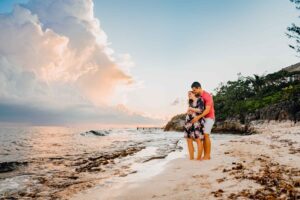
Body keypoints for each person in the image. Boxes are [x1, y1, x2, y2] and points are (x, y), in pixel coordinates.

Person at [190, 81, 215, 160]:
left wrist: (198, 117)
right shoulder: (198, 97)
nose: (193, 92)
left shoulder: (207, 96)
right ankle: (206, 155)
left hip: (209, 117)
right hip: (202, 118)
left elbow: (207, 110)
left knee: (206, 135)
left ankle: (207, 155)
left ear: (199, 88)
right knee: (203, 136)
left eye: (194, 90)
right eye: (193, 90)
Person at [184, 91, 205, 160]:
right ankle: (191, 158)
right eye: (188, 94)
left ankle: (198, 158)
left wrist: (191, 109)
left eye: (190, 93)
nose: (188, 95)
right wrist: (188, 111)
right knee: (188, 139)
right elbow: (190, 111)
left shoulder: (199, 99)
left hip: (197, 122)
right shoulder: (190, 102)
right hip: (188, 122)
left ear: (194, 94)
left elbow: (201, 110)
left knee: (198, 139)